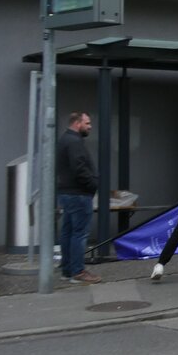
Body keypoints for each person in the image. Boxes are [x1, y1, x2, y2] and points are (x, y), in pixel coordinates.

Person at [56, 112, 102, 284]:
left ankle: (67, 269)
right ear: (77, 123)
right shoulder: (75, 142)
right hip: (79, 193)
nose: (90, 126)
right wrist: (92, 184)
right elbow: (79, 168)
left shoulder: (64, 140)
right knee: (79, 233)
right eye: (87, 123)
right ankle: (78, 271)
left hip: (67, 193)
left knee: (68, 231)